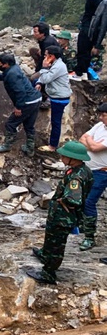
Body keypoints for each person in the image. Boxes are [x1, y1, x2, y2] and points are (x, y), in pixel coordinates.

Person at [28, 141, 93, 284]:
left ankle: (48, 273)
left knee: (56, 245)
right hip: (59, 215)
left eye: (64, 155)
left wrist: (61, 201)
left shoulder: (76, 177)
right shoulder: (82, 170)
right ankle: (45, 254)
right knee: (50, 237)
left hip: (63, 217)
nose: (61, 157)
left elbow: (74, 199)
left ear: (73, 158)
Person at [0, 53, 42, 156]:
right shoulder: (13, 68)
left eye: (0, 63)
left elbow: (20, 92)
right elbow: (4, 76)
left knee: (11, 124)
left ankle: (7, 145)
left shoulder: (12, 74)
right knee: (29, 125)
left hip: (27, 102)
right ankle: (30, 148)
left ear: (6, 64)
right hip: (36, 99)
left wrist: (19, 107)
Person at [78, 103, 107, 251]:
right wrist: (92, 144)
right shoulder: (100, 126)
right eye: (100, 115)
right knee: (81, 198)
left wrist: (91, 144)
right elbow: (82, 138)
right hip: (88, 169)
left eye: (104, 115)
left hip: (102, 172)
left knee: (89, 202)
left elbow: (93, 147)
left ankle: (90, 238)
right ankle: (82, 225)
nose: (101, 118)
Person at [35, 46, 71, 152]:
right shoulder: (55, 64)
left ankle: (53, 146)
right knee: (34, 82)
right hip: (55, 93)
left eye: (46, 55)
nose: (44, 57)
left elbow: (46, 77)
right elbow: (43, 78)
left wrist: (44, 67)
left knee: (56, 122)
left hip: (59, 97)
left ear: (52, 56)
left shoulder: (58, 66)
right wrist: (39, 82)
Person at [75, 0, 106, 77]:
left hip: (90, 33)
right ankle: (82, 75)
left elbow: (103, 23)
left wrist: (97, 44)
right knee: (82, 55)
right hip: (87, 30)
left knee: (83, 55)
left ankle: (81, 77)